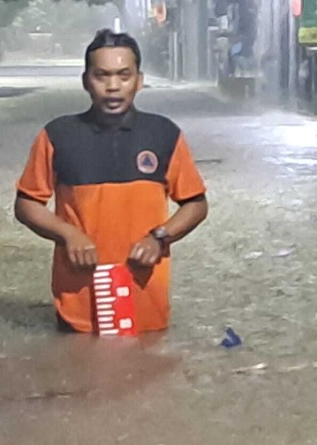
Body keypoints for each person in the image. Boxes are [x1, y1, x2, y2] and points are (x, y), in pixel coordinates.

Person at [13, 29, 209, 334]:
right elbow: (26, 203)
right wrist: (67, 234)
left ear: (139, 80)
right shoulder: (58, 135)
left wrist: (160, 237)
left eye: (124, 75)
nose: (113, 87)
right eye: (102, 75)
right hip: (77, 303)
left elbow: (195, 204)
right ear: (85, 81)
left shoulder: (164, 134)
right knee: (79, 374)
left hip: (146, 302)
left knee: (150, 375)